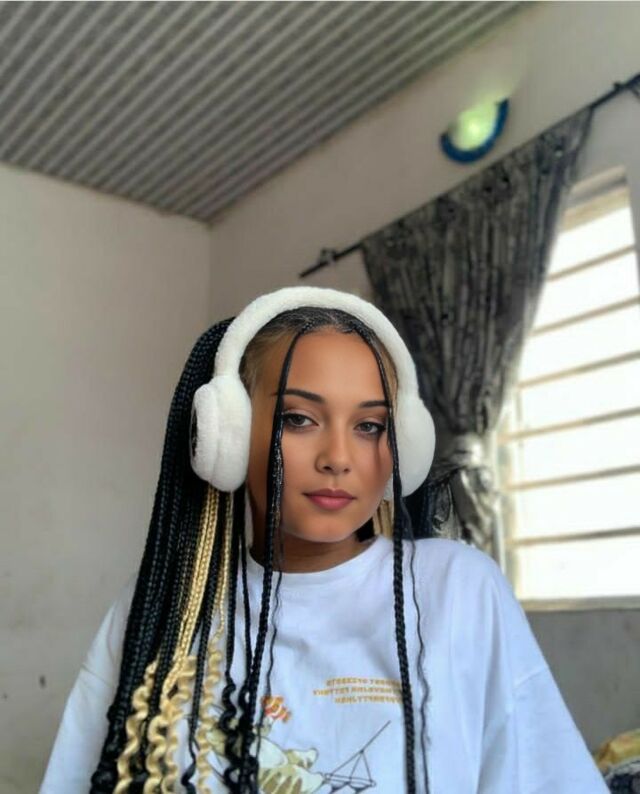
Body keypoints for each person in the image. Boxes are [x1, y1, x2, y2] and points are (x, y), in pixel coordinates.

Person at [40, 286, 608, 794]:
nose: (338, 457)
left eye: (369, 426)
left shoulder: (459, 589)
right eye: (299, 419)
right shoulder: (159, 607)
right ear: (228, 435)